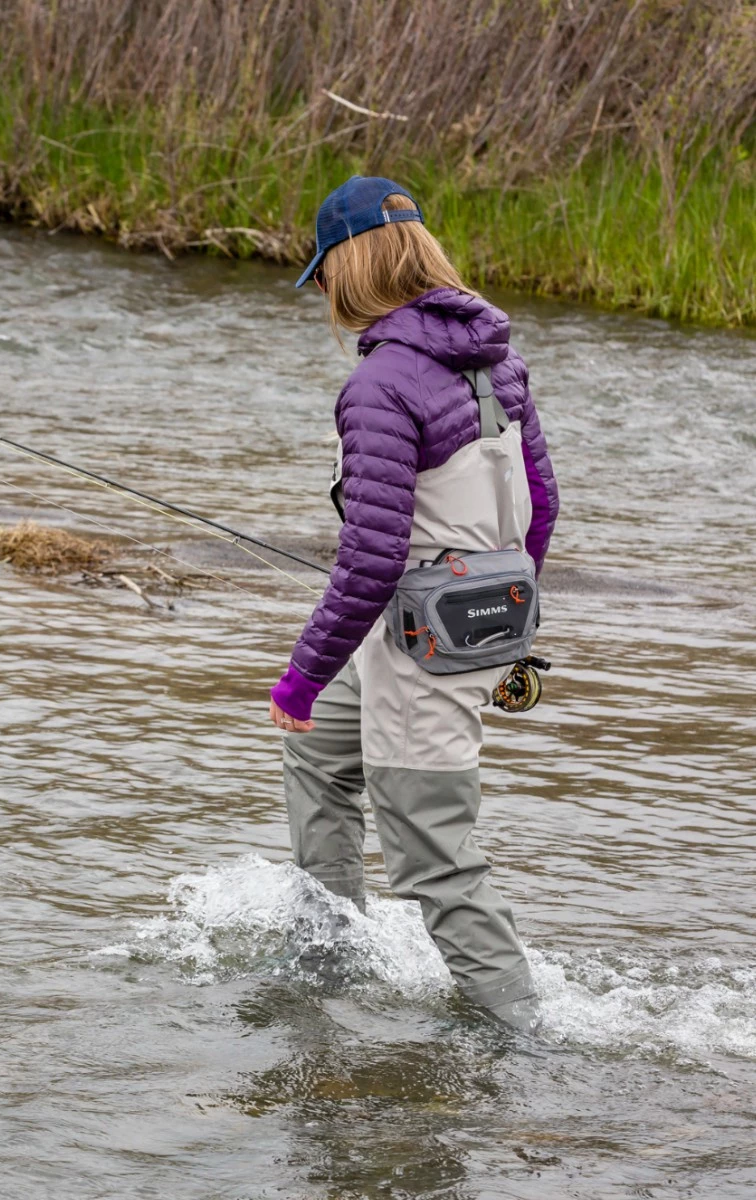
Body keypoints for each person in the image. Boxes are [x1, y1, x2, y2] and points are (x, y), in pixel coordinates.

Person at [269, 176, 558, 1032]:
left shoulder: (380, 385)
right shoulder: (498, 358)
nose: (323, 296)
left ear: (350, 269)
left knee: (435, 858)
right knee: (319, 753)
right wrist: (507, 626)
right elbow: (541, 503)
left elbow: (370, 557)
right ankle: (327, 957)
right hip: (468, 624)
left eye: (322, 276)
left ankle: (529, 1041)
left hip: (419, 648)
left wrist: (299, 676)